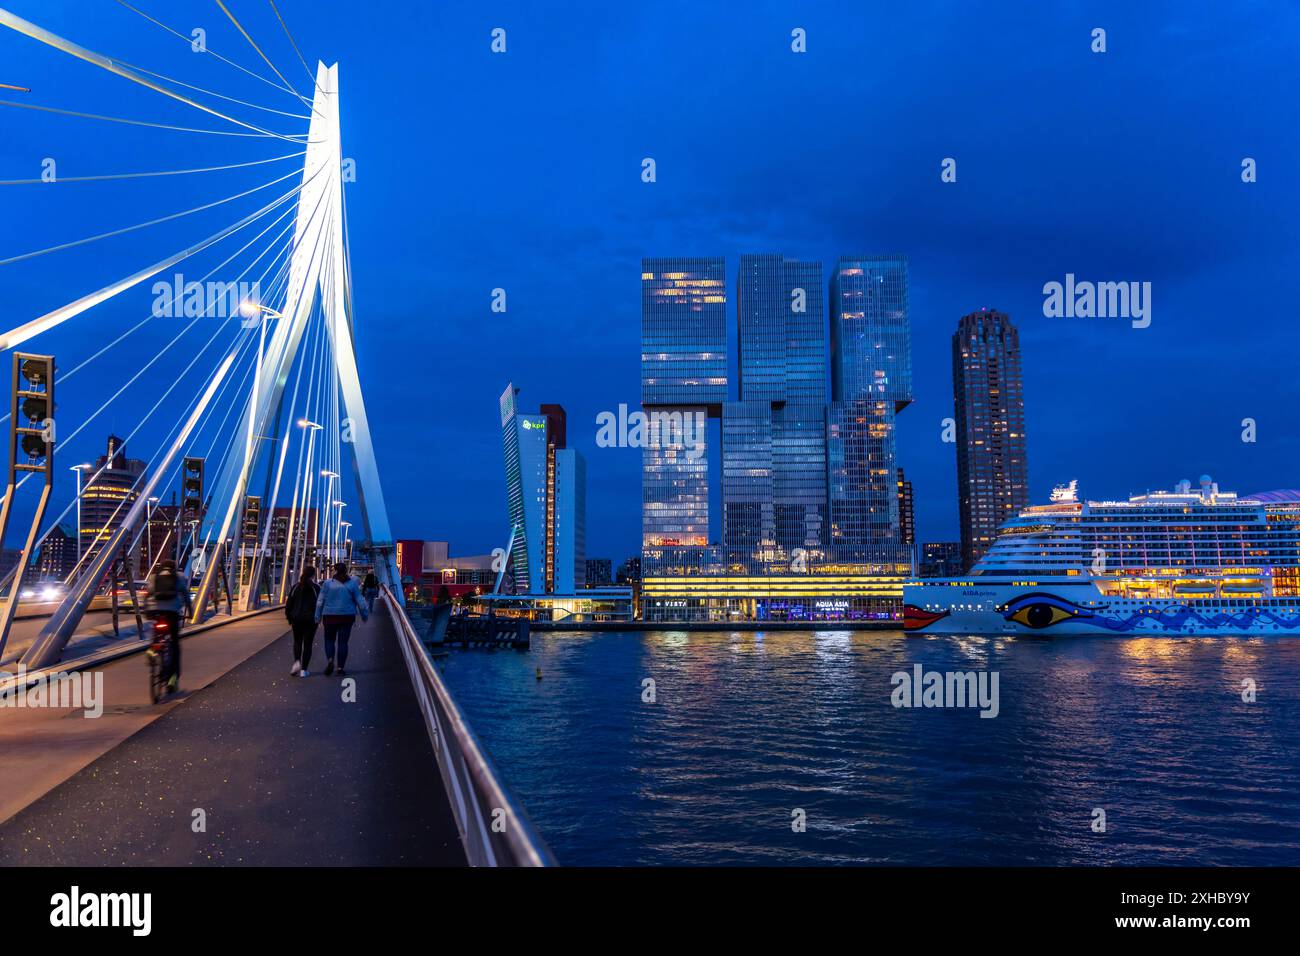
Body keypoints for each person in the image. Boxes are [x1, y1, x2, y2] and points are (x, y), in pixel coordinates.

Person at [146, 558, 193, 693]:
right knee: (175, 645)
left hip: (156, 611)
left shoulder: (154, 576)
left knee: (156, 633)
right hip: (172, 613)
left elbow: (148, 594)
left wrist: (146, 611)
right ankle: (173, 679)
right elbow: (185, 596)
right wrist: (190, 612)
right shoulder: (179, 577)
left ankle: (151, 650)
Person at [315, 562, 368, 677]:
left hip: (329, 616)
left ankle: (330, 659)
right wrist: (364, 615)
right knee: (343, 642)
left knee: (329, 640)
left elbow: (320, 602)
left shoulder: (327, 584)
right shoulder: (353, 584)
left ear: (334, 570)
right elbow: (360, 601)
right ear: (346, 570)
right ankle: (340, 668)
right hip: (347, 617)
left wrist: (317, 616)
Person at [285, 566, 320, 677]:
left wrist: (289, 617)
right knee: (308, 644)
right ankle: (304, 670)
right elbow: (319, 604)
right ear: (314, 575)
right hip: (310, 620)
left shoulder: (295, 587)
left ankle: (296, 662)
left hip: (297, 619)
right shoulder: (316, 588)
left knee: (297, 641)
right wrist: (319, 618)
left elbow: (289, 604)